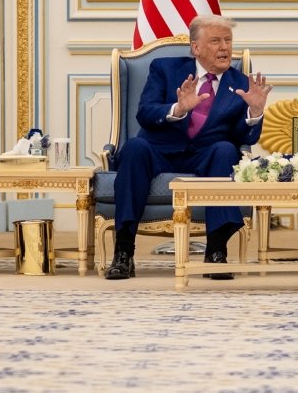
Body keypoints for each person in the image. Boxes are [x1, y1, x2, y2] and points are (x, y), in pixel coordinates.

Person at [105, 15, 272, 280]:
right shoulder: (164, 69)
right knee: (135, 147)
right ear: (196, 47)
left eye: (228, 41)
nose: (225, 48)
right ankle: (124, 253)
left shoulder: (240, 83)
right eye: (216, 41)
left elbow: (245, 138)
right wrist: (178, 108)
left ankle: (216, 253)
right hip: (158, 150)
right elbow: (145, 113)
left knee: (226, 150)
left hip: (205, 155)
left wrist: (255, 110)